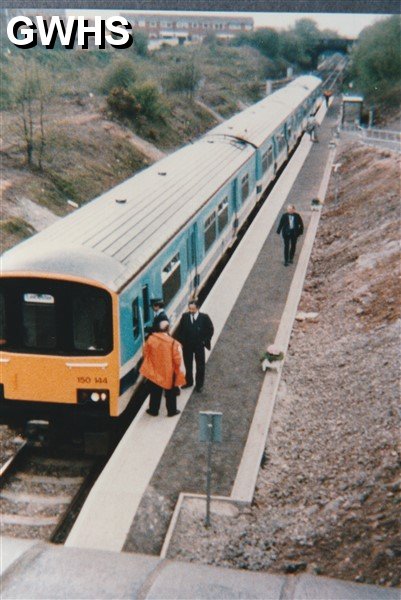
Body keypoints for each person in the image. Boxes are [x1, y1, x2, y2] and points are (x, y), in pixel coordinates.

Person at [140, 320, 186, 417]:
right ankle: (172, 411)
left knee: (155, 392)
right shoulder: (174, 343)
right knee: (170, 393)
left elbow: (145, 353)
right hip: (169, 371)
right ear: (168, 329)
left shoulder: (151, 339)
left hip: (154, 371)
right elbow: (178, 359)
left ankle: (153, 410)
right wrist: (179, 371)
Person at [175, 299, 214, 393]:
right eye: (190, 309)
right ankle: (189, 381)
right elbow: (179, 330)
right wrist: (182, 341)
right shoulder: (185, 316)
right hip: (187, 346)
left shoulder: (204, 317)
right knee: (188, 365)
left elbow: (210, 330)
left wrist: (204, 341)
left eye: (193, 309)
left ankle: (199, 385)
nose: (191, 311)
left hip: (199, 346)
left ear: (198, 308)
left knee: (200, 366)